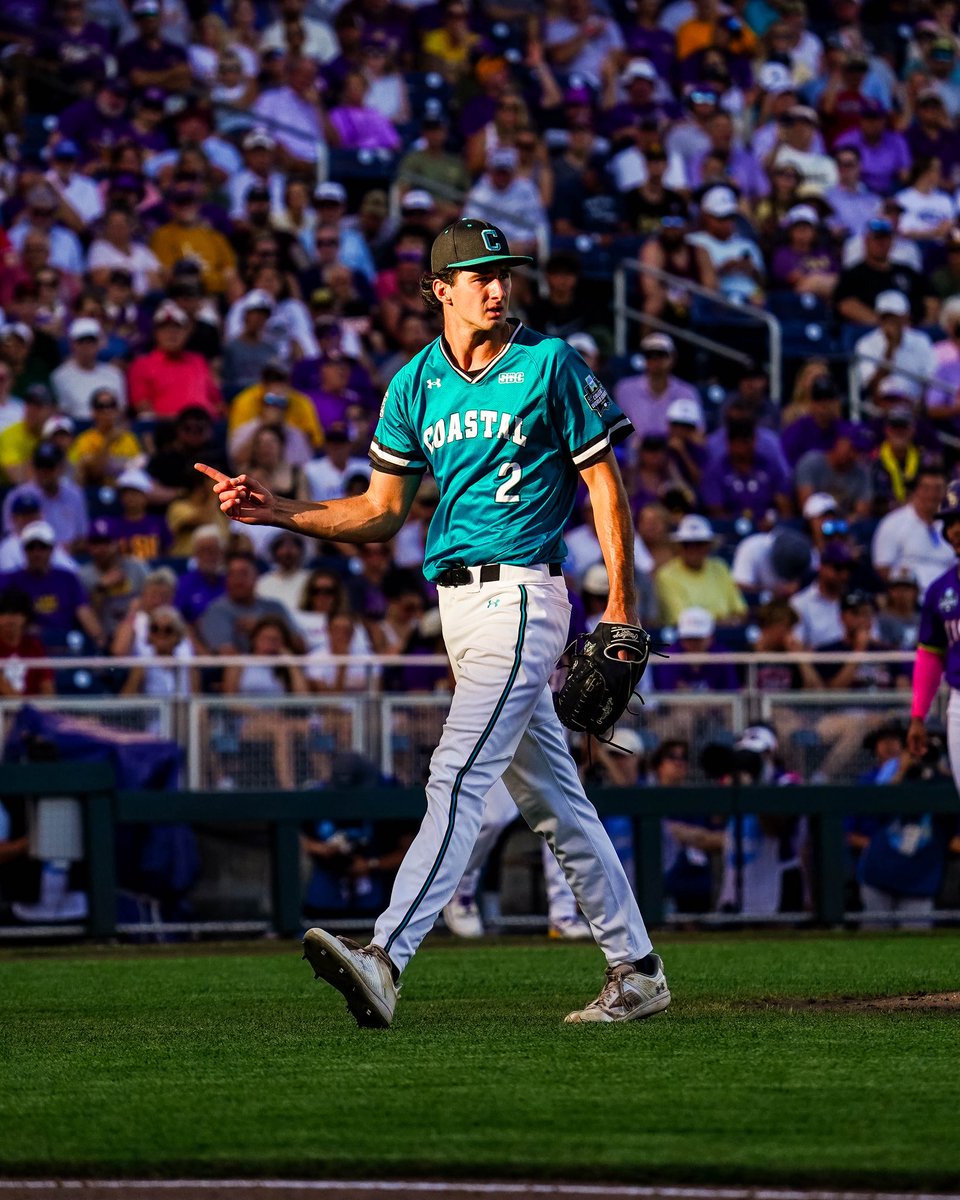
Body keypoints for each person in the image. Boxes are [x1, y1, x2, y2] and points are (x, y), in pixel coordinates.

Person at [197, 218, 668, 1028]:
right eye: (479, 274)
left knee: (454, 774)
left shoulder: (548, 363)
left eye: (504, 272)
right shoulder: (415, 381)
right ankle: (637, 969)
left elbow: (604, 486)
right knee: (559, 802)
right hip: (457, 607)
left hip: (523, 595)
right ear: (438, 289)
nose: (497, 285)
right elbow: (381, 513)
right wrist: (277, 510)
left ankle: (386, 958)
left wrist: (622, 602)